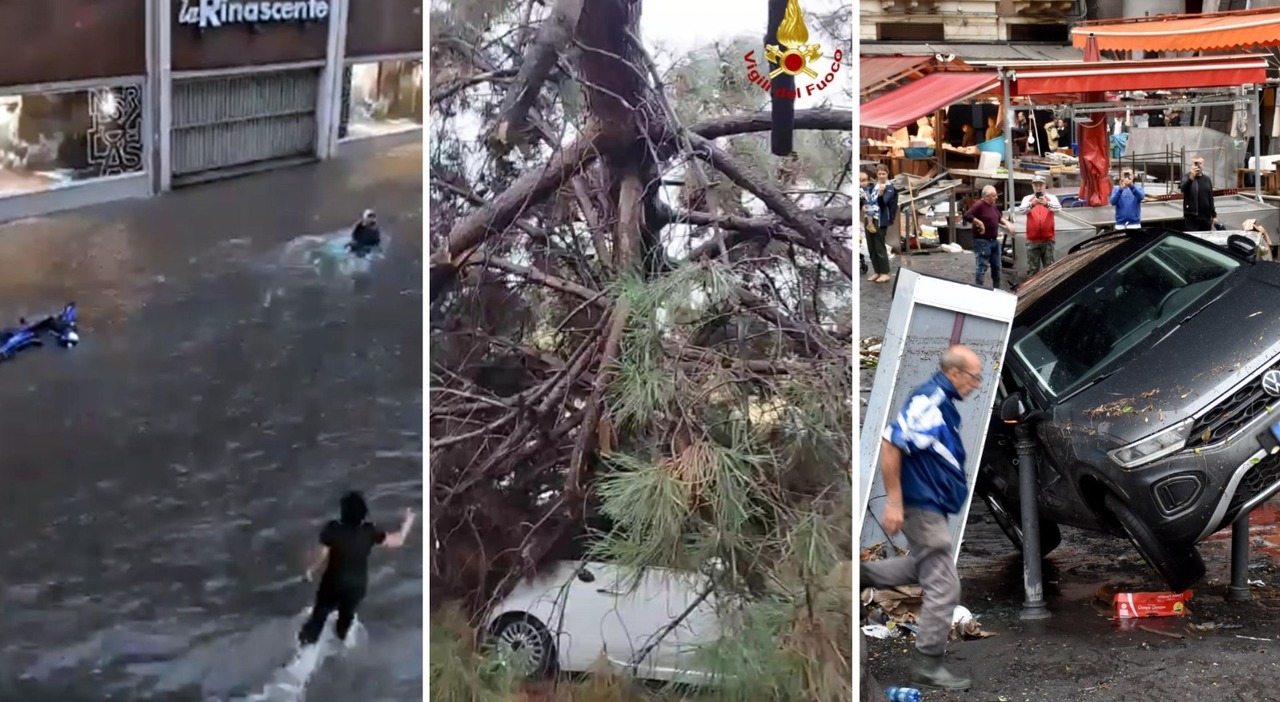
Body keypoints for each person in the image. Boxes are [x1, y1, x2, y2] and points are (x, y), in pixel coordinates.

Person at [863, 345, 985, 691]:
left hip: (930, 506)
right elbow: (891, 443)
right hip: (921, 507)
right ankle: (927, 664)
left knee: (922, 567)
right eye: (974, 377)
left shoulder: (941, 402)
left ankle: (856, 575)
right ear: (954, 373)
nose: (977, 384)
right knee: (945, 585)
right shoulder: (929, 401)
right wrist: (895, 503)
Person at [298, 492, 416, 647]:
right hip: (356, 586)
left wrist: (309, 571)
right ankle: (340, 638)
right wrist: (408, 521)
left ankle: (304, 648)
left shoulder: (332, 529)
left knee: (318, 616)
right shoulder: (369, 531)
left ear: (343, 512)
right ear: (363, 514)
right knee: (345, 619)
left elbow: (321, 555)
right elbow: (398, 540)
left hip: (333, 583)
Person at [962, 186, 1014, 289]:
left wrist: (1008, 223)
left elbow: (999, 217)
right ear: (986, 196)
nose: (996, 198)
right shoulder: (979, 205)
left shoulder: (992, 205)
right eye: (994, 196)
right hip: (982, 241)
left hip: (994, 241)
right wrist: (979, 222)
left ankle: (997, 289)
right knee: (982, 266)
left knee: (997, 267)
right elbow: (967, 215)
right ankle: (979, 289)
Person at [1015, 175, 1061, 276]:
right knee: (1033, 270)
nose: (1039, 187)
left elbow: (1058, 208)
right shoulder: (1027, 199)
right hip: (1032, 241)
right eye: (1036, 185)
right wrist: (1032, 204)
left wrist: (1046, 204)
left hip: (1048, 240)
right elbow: (1021, 211)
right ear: (1033, 186)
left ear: (1045, 186)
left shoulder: (1051, 198)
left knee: (1050, 269)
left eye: (1041, 185)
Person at [865, 166, 897, 283]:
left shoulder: (889, 188)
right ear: (876, 175)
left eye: (883, 174)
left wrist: (880, 195)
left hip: (880, 218)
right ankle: (877, 271)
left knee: (879, 246)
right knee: (871, 247)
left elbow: (884, 202)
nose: (881, 176)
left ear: (887, 174)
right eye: (879, 174)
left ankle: (885, 272)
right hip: (869, 218)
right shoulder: (873, 187)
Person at [1181, 155, 1216, 232]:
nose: (1198, 165)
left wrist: (1214, 215)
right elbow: (1183, 189)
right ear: (1191, 165)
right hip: (1192, 218)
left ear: (1203, 165)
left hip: (1206, 218)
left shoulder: (1207, 179)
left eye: (1200, 163)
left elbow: (1210, 198)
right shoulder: (1186, 177)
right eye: (1195, 163)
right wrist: (1191, 177)